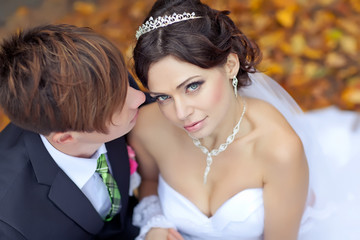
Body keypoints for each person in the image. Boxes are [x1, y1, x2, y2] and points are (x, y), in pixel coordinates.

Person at [129, 0, 360, 239]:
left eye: (193, 86)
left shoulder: (278, 149)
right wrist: (154, 223)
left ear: (230, 65)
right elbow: (149, 183)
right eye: (163, 97)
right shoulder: (146, 128)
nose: (180, 113)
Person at [0, 24, 147, 240]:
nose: (139, 98)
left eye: (125, 83)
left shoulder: (102, 78)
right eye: (115, 104)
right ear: (66, 137)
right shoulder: (11, 222)